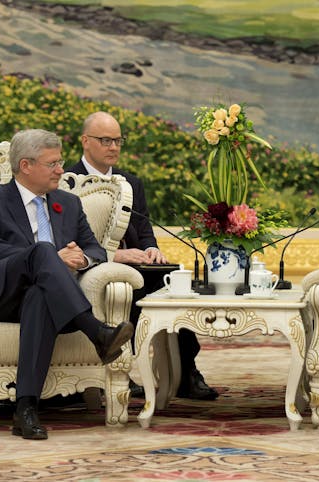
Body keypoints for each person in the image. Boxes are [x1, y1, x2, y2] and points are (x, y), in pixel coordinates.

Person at [0, 129, 135, 440]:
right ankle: (96, 330)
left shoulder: (68, 203)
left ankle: (25, 409)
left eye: (60, 162)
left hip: (48, 299)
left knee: (39, 296)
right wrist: (49, 257)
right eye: (52, 164)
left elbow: (93, 249)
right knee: (42, 250)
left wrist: (81, 261)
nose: (61, 170)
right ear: (25, 165)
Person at [67, 111, 218, 401]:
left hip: (137, 268)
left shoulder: (131, 183)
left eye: (118, 141)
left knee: (175, 285)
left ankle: (185, 371)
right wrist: (117, 256)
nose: (113, 147)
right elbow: (68, 240)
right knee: (121, 289)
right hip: (92, 270)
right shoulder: (68, 183)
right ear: (86, 141)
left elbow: (144, 228)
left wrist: (151, 249)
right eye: (106, 140)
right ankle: (113, 372)